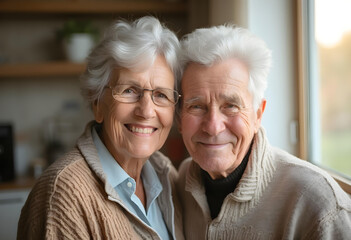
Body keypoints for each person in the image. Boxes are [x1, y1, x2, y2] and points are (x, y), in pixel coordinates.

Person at [176, 24, 351, 239]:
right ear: (179, 118)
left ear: (258, 114)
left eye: (231, 106)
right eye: (196, 106)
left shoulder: (318, 202)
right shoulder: (183, 179)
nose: (213, 126)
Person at [18, 16, 184, 240]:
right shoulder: (63, 195)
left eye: (161, 95)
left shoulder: (166, 175)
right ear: (97, 102)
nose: (146, 111)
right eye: (129, 90)